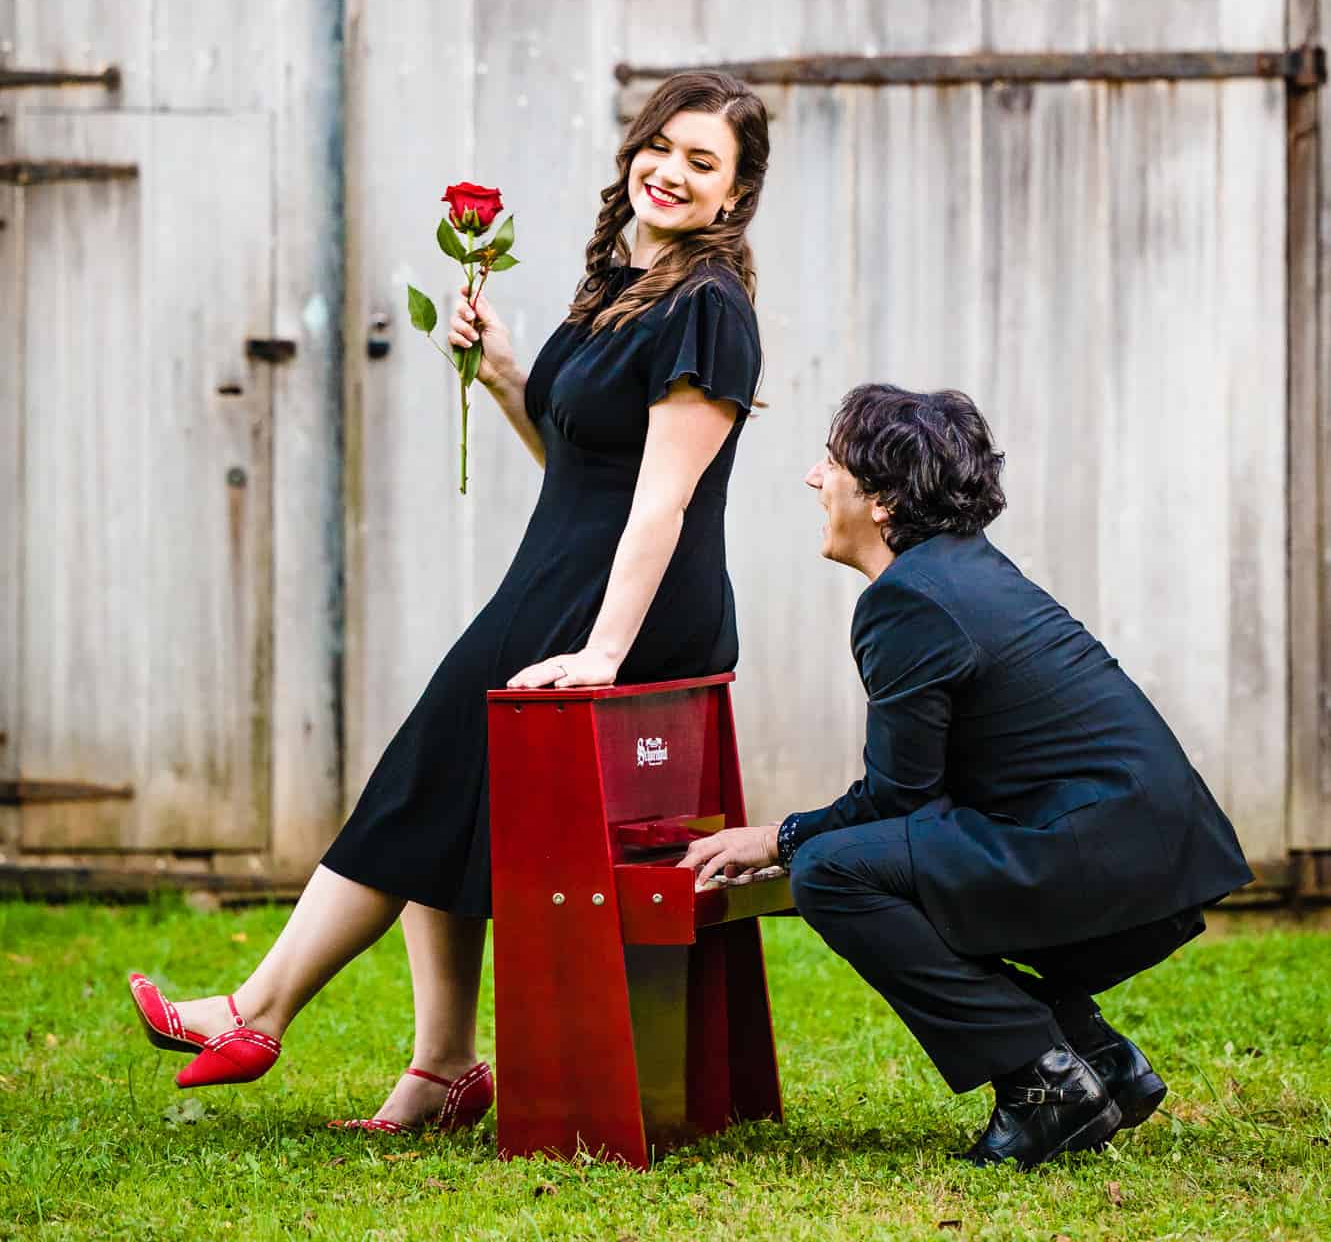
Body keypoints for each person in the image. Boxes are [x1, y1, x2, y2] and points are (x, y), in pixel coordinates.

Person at [128, 70, 768, 1134]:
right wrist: (506, 374)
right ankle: (441, 1068)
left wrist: (605, 653)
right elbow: (575, 463)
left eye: (704, 162)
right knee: (443, 780)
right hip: (559, 575)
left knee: (427, 766)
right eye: (663, 145)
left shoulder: (708, 309)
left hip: (632, 604)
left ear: (732, 196)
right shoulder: (618, 285)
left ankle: (260, 1008)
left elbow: (661, 501)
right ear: (634, 148)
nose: (672, 171)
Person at [681, 383, 1252, 1170]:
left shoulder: (909, 601)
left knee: (834, 872)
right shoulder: (958, 574)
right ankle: (1094, 1055)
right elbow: (926, 807)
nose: (814, 479)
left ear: (880, 501)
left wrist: (779, 837)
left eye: (832, 463)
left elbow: (899, 799)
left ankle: (1042, 1084)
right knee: (892, 863)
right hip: (1150, 860)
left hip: (1105, 865)